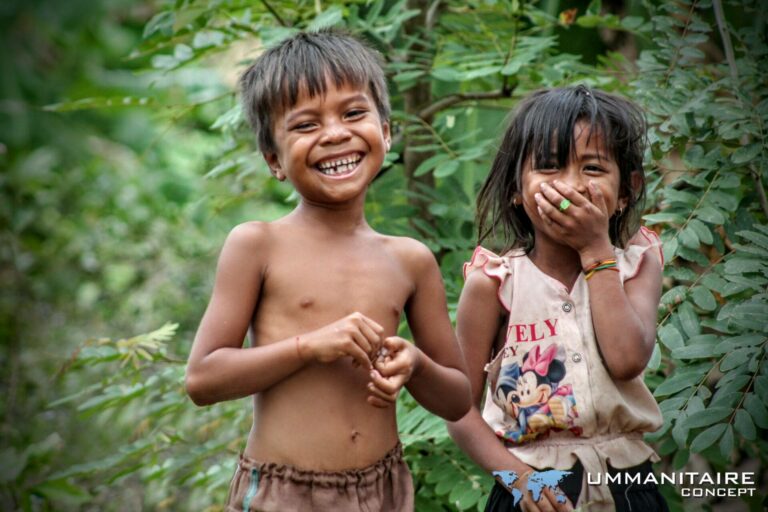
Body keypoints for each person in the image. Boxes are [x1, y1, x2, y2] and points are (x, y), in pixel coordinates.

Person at [185, 30, 471, 512]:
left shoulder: (410, 260)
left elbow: (458, 398)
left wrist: (415, 365)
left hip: (382, 491)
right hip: (284, 495)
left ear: (387, 131)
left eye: (354, 113)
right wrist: (308, 347)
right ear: (274, 160)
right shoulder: (258, 245)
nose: (335, 133)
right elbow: (203, 379)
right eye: (305, 125)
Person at [447, 86, 669, 512]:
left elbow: (626, 359)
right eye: (549, 167)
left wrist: (595, 250)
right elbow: (458, 411)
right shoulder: (493, 285)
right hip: (531, 491)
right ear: (517, 187)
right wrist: (515, 477)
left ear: (627, 190)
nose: (570, 185)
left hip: (628, 489)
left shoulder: (637, 267)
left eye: (592, 168)